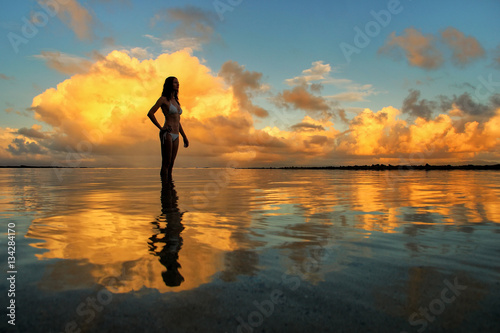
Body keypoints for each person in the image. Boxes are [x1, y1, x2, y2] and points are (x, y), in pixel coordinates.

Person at [148, 76, 189, 179]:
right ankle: (164, 189)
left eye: (178, 82)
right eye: (175, 83)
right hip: (168, 133)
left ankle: (170, 189)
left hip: (176, 134)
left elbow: (178, 122)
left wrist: (184, 136)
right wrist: (161, 128)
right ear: (169, 85)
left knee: (171, 164)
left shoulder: (176, 101)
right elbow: (150, 113)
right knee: (166, 162)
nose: (178, 84)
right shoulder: (163, 100)